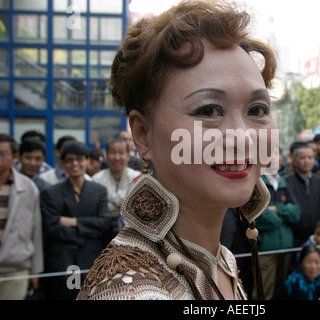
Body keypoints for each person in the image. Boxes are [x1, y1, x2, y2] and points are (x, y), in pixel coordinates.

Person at [78, 0, 278, 300]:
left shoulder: (222, 259)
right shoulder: (132, 291)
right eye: (209, 110)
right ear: (143, 134)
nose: (243, 137)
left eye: (257, 108)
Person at [40, 141, 109, 299]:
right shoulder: (51, 193)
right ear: (63, 163)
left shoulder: (99, 191)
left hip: (92, 261)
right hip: (63, 262)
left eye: (79, 159)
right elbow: (52, 228)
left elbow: (104, 224)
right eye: (69, 160)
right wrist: (89, 232)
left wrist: (73, 222)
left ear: (87, 161)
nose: (75, 164)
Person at [0, 134, 43, 300]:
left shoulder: (27, 187)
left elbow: (36, 230)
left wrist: (35, 270)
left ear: (14, 157)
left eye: (3, 154)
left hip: (16, 268)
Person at [255, 170, 301, 299]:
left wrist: (277, 209)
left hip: (286, 247)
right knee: (263, 290)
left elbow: (297, 212)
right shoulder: (257, 181)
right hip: (266, 248)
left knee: (281, 290)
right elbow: (260, 214)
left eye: (276, 154)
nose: (273, 158)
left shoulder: (284, 182)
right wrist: (284, 215)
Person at [91, 136, 141, 246]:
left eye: (121, 153)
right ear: (107, 156)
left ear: (128, 156)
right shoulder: (96, 179)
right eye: (113, 153)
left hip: (130, 237)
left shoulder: (137, 178)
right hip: (102, 236)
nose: (117, 157)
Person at [284, 143, 320, 247]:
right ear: (295, 161)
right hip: (295, 236)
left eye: (310, 157)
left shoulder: (319, 181)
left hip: (317, 235)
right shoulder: (287, 181)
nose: (306, 161)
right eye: (302, 158)